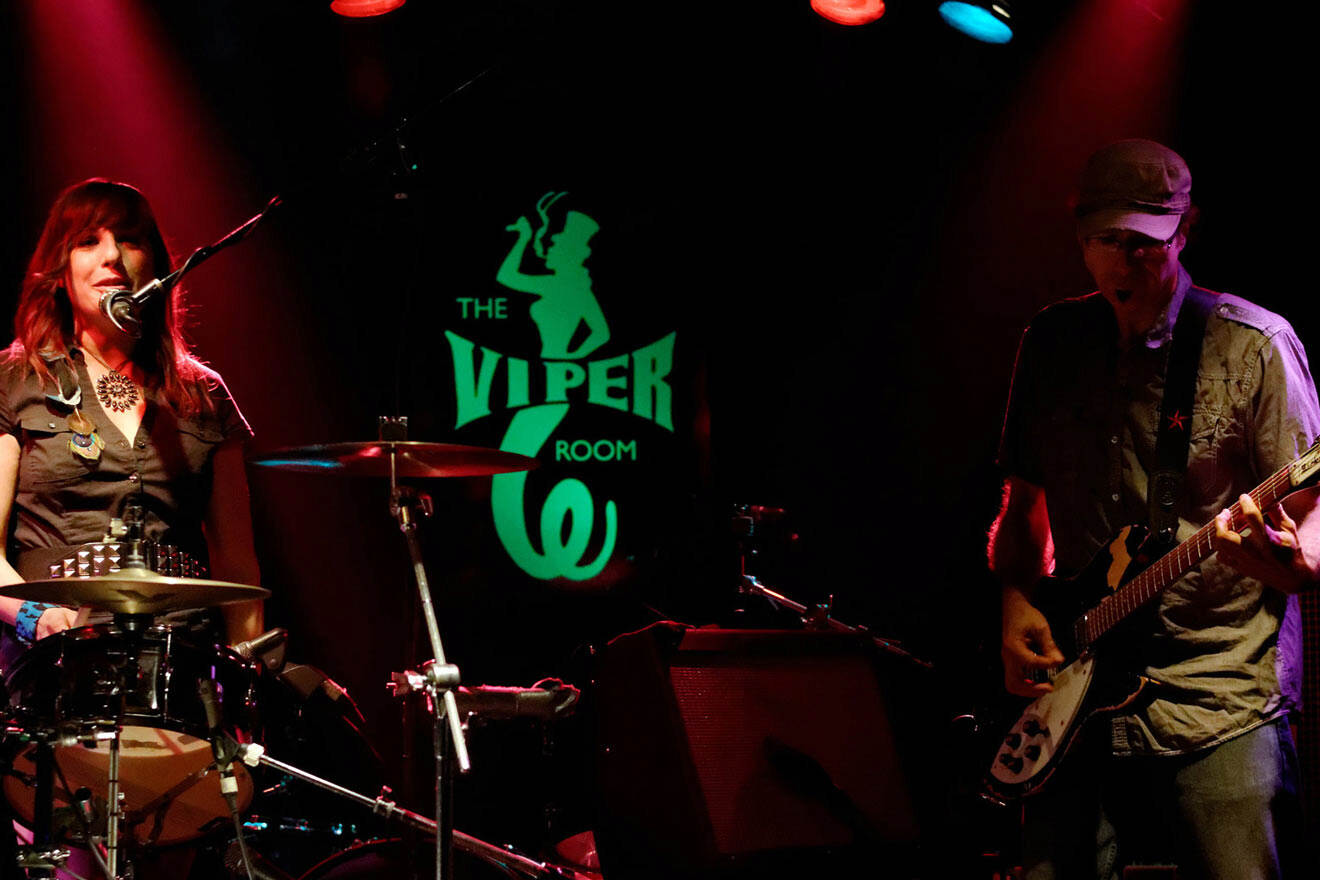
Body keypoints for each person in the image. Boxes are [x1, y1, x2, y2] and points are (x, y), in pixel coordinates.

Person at [988, 140, 1318, 877]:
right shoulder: (1049, 344)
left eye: (1147, 243)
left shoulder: (1255, 345)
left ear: (1185, 233)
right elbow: (1022, 507)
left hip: (1220, 692)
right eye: (1109, 242)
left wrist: (1298, 562)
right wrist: (1014, 601)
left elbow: (1311, 501)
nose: (1127, 261)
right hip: (1075, 684)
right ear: (1081, 238)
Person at [0, 178, 262, 660]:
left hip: (181, 660)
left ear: (157, 266)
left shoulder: (204, 394)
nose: (112, 257)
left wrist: (248, 676)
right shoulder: (15, 380)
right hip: (53, 659)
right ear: (60, 271)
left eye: (129, 239)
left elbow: (238, 563)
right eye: (88, 241)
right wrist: (36, 616)